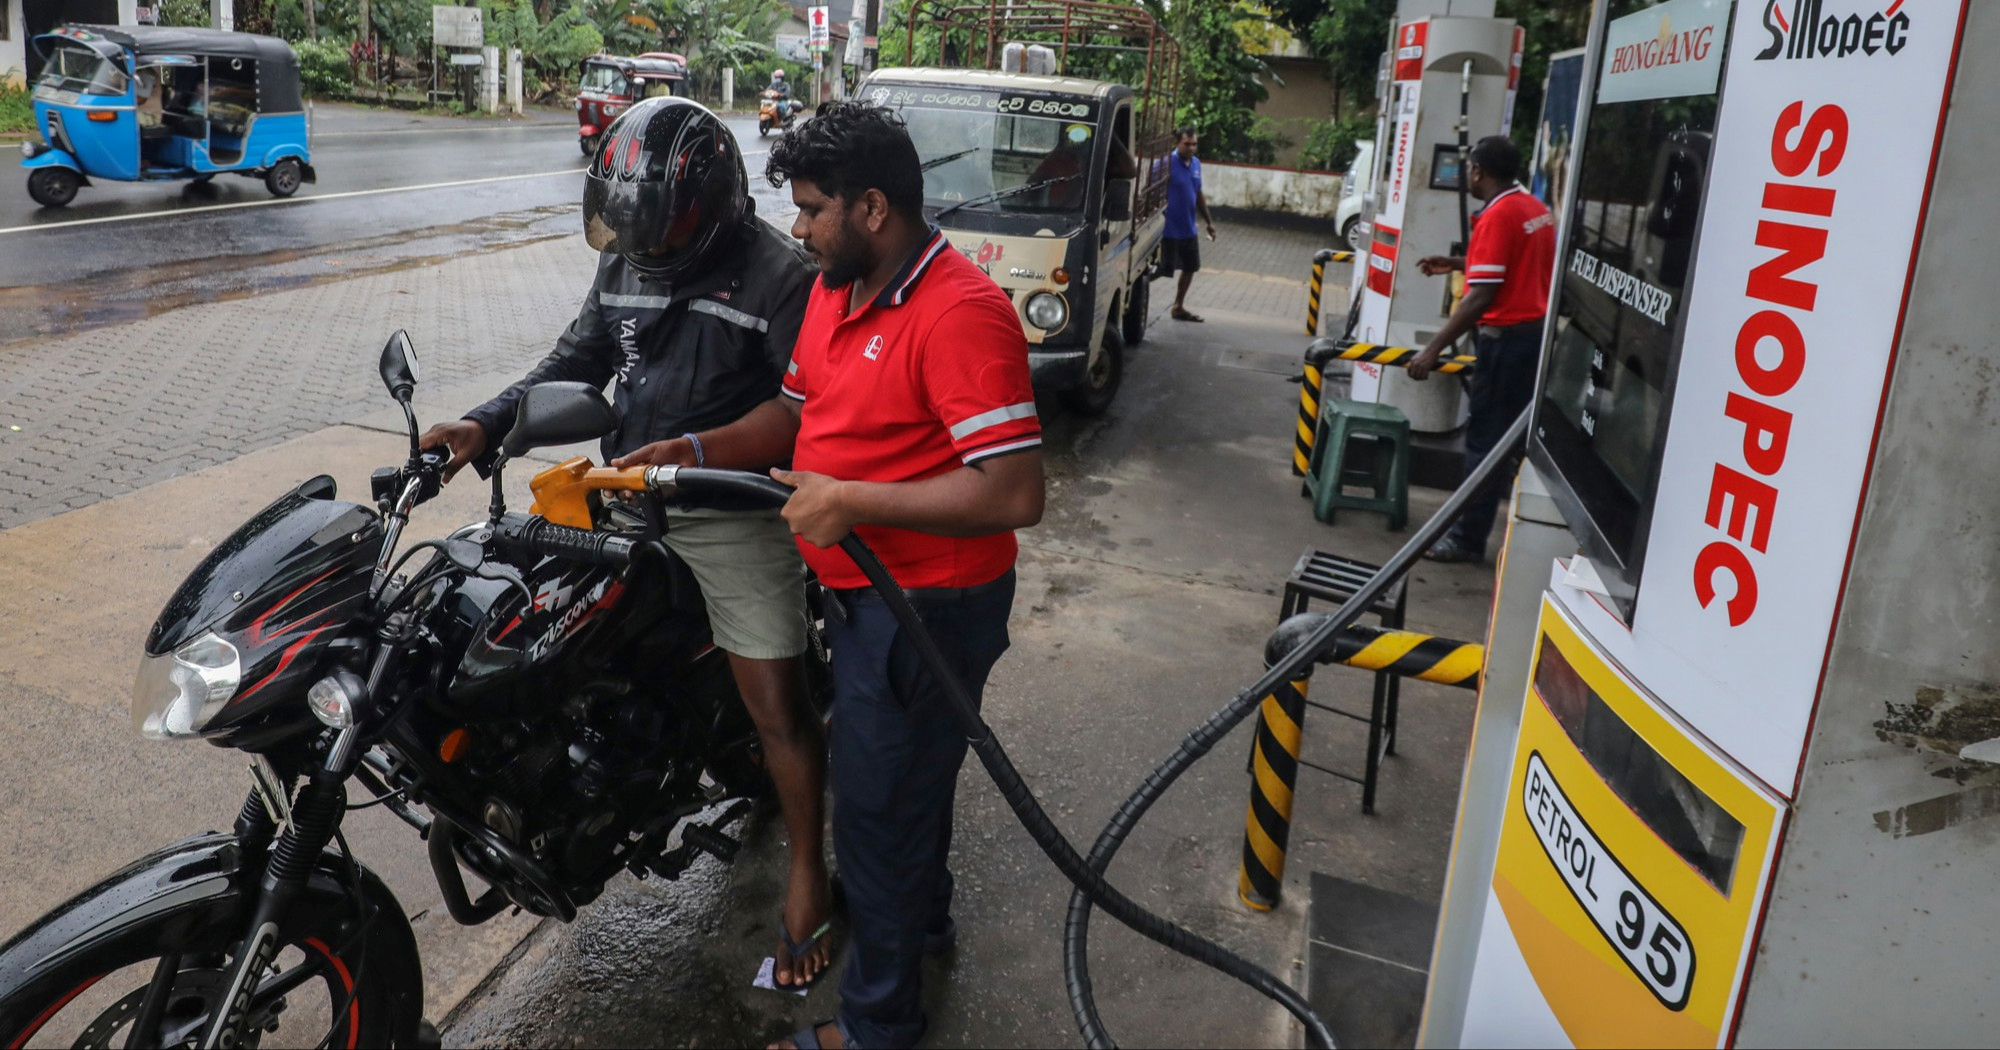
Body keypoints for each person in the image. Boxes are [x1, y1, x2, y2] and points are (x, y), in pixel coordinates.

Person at [415, 97, 840, 989]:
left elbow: (800, 414)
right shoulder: (629, 260)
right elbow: (576, 358)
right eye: (630, 225)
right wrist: (486, 426)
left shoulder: (781, 276)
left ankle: (807, 870)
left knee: (776, 705)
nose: (644, 243)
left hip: (728, 506)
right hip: (624, 492)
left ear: (716, 203)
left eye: (665, 223)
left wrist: (695, 453)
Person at [691, 100, 1044, 1050]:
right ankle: (919, 922)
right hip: (861, 597)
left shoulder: (961, 313)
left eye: (811, 210)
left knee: (880, 814)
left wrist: (854, 502)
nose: (797, 231)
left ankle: (878, 1028)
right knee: (907, 785)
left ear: (874, 208)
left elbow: (1014, 492)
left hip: (929, 605)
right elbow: (794, 415)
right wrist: (687, 447)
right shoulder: (837, 293)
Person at [1404, 134, 1556, 563]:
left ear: (1478, 171)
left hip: (1505, 343)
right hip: (1531, 338)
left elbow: (1481, 296)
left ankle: (1467, 540)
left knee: (1484, 444)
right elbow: (1512, 265)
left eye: (1469, 167)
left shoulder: (1498, 215)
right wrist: (1454, 264)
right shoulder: (1534, 209)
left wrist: (1432, 349)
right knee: (1504, 443)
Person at [1155, 126, 1216, 322]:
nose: (1191, 148)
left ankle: (1178, 306)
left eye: (1194, 144)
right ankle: (1139, 289)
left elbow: (1198, 193)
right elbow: (1150, 190)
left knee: (1191, 266)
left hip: (1188, 228)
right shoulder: (1166, 164)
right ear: (1177, 143)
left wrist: (1208, 222)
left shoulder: (1196, 164)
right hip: (1169, 229)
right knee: (1164, 269)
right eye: (1187, 144)